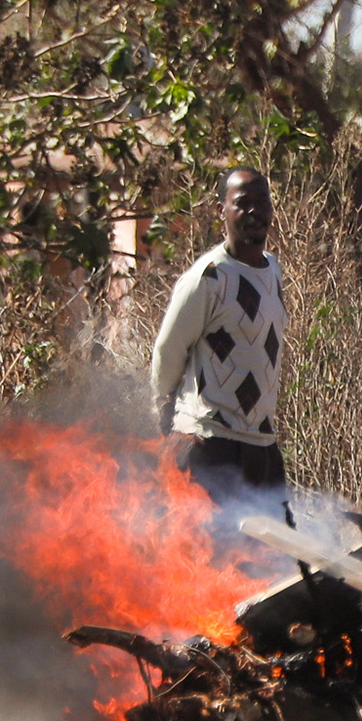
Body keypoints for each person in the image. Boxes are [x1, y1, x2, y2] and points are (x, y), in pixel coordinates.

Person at [150, 166, 290, 503]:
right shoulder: (208, 279)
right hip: (207, 444)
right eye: (243, 203)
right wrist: (162, 412)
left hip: (260, 444)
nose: (255, 212)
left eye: (263, 202)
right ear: (221, 211)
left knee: (276, 553)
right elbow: (168, 352)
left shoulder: (272, 271)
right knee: (205, 552)